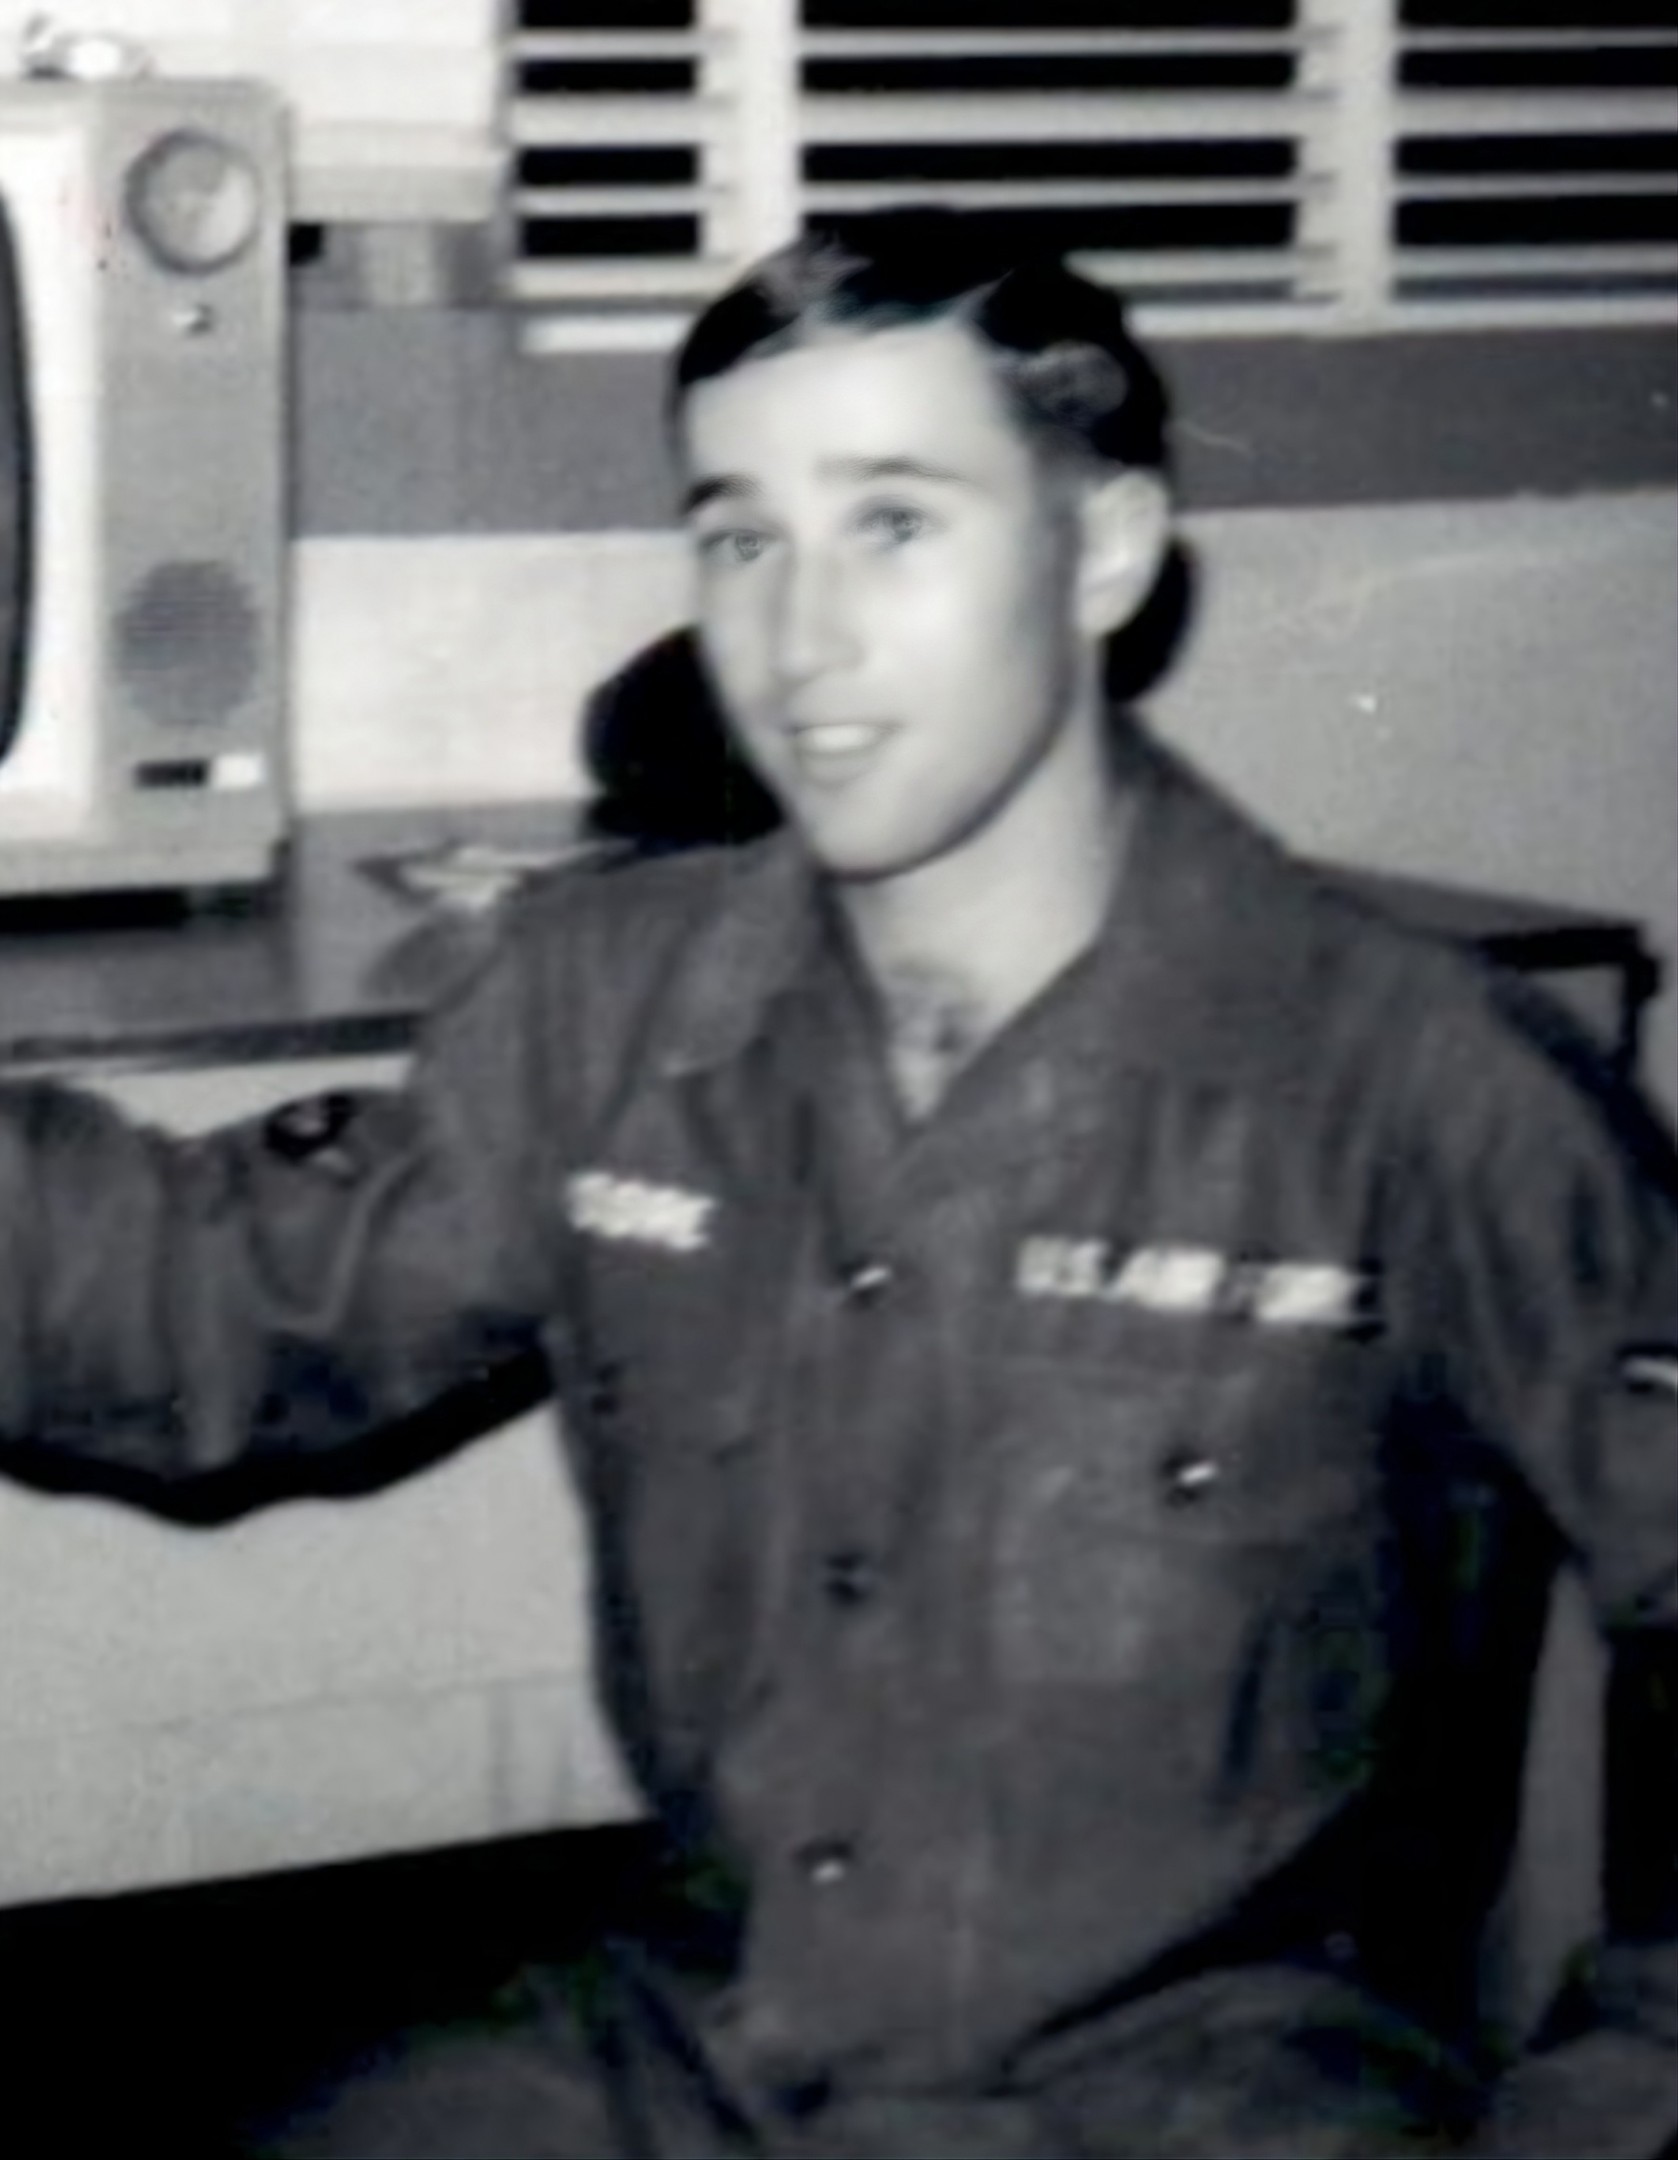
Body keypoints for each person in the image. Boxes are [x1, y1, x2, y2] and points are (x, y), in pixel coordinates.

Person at [1, 214, 1675, 2160]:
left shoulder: (1425, 1084)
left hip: (1200, 2100)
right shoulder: (603, 1004)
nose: (795, 641)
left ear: (1103, 549)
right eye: (738, 539)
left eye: (891, 524)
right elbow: (206, 1302)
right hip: (706, 2041)